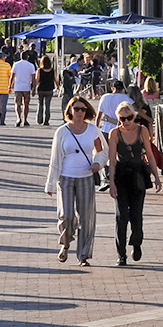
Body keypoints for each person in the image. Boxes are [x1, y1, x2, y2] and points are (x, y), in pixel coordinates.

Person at [45, 96, 105, 266]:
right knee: (66, 215)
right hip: (66, 178)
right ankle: (65, 244)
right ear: (70, 110)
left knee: (86, 217)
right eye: (76, 108)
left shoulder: (92, 130)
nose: (79, 112)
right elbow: (55, 158)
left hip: (85, 178)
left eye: (83, 109)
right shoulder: (62, 131)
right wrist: (50, 183)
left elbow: (100, 151)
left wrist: (97, 163)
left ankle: (84, 255)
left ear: (87, 111)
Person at [108, 102, 159, 265]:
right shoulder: (114, 133)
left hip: (138, 176)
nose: (126, 122)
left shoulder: (142, 131)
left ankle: (136, 242)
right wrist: (111, 182)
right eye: (122, 119)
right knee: (121, 216)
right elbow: (112, 160)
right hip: (121, 175)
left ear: (134, 116)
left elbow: (150, 155)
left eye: (129, 118)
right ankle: (121, 254)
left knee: (136, 215)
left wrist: (156, 176)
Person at [10, 53, 37, 127]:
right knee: (26, 104)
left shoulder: (16, 64)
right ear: (27, 57)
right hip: (26, 87)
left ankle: (18, 118)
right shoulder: (31, 65)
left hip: (18, 87)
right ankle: (25, 119)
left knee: (17, 104)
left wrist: (10, 86)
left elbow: (12, 76)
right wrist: (34, 88)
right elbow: (34, 78)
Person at [37, 56, 57, 126]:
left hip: (41, 89)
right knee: (47, 105)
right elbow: (56, 79)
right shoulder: (52, 70)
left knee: (40, 104)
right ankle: (46, 120)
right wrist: (58, 87)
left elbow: (37, 80)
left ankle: (40, 120)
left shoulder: (40, 70)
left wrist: (33, 87)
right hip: (49, 89)